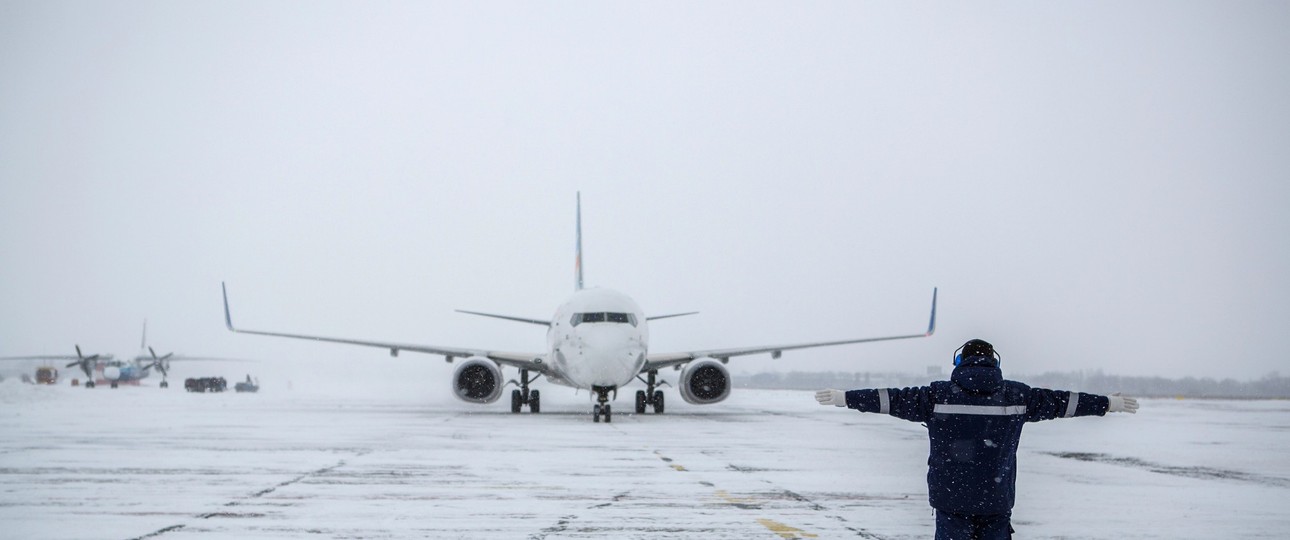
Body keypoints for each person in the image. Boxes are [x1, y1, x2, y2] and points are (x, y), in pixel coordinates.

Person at [815, 339, 1139, 540]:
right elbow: (1062, 402)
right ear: (994, 363)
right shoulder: (1017, 396)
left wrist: (846, 397)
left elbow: (890, 399)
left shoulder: (936, 395)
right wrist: (1106, 403)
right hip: (996, 501)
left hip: (951, 501)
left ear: (958, 362)